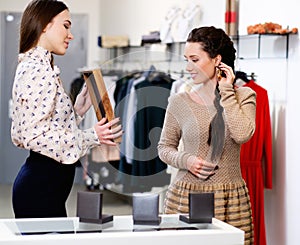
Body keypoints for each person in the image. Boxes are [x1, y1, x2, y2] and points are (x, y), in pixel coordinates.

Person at [11, 0, 122, 218]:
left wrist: (77, 112)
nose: (70, 35)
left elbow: (46, 125)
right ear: (45, 25)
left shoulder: (42, 66)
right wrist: (92, 136)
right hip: (40, 189)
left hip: (47, 187)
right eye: (66, 25)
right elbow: (33, 135)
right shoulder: (37, 70)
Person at [157, 26, 256, 245]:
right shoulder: (179, 101)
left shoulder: (245, 96)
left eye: (194, 59)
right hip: (186, 196)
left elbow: (242, 135)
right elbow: (164, 147)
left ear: (217, 60)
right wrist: (187, 160)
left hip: (230, 199)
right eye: (186, 59)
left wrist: (227, 92)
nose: (188, 67)